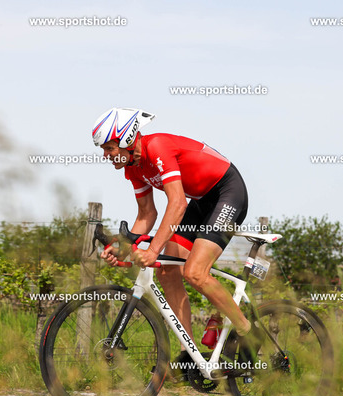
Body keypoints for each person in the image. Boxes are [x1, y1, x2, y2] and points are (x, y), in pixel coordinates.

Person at [94, 107, 262, 375]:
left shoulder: (157, 147)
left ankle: (248, 332)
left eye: (109, 148)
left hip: (227, 192)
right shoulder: (133, 169)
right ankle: (190, 355)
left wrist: (153, 250)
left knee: (195, 272)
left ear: (126, 138)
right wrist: (122, 247)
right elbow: (147, 214)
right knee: (167, 271)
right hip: (201, 201)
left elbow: (177, 203)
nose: (106, 155)